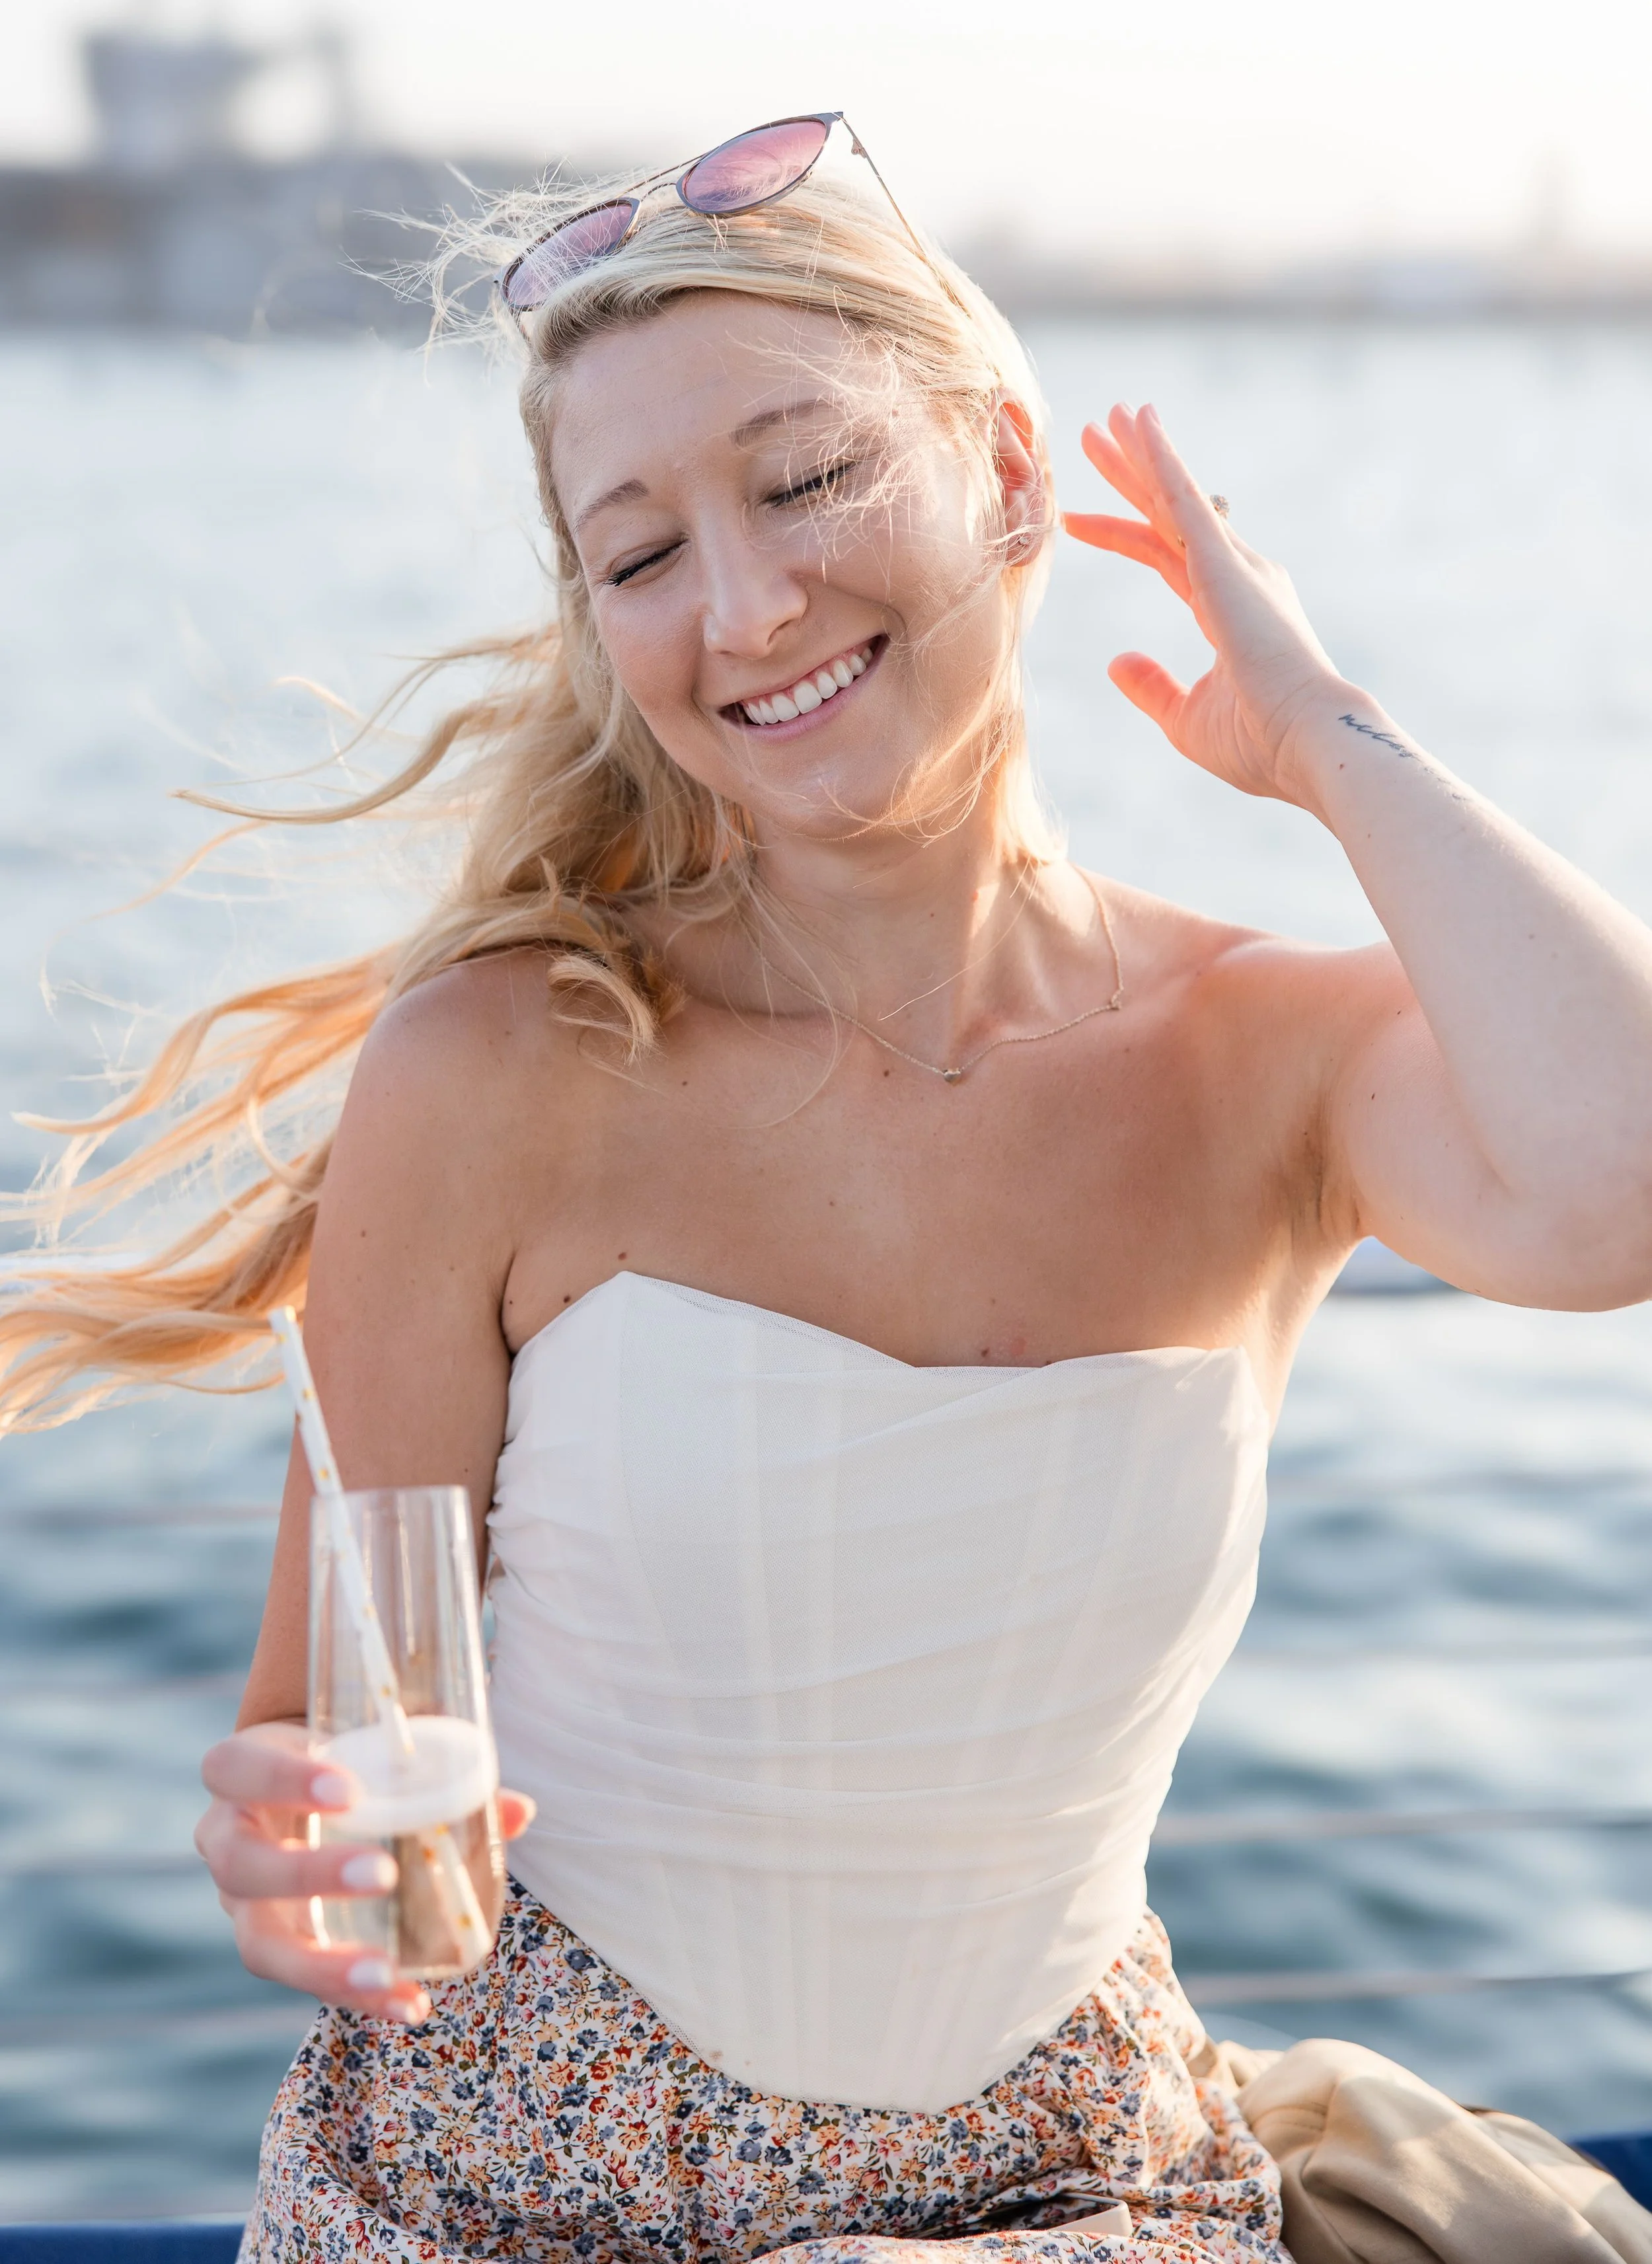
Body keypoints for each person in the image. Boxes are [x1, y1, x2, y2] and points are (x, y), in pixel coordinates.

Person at [9, 114, 1652, 2264]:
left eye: (801, 480)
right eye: (639, 552)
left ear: (999, 465)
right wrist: (292, 1856)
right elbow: (325, 1739)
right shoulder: (498, 1072)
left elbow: (1614, 1182)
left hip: (1075, 2193)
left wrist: (1321, 729)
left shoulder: (1274, 1056)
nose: (745, 604)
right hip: (522, 2203)